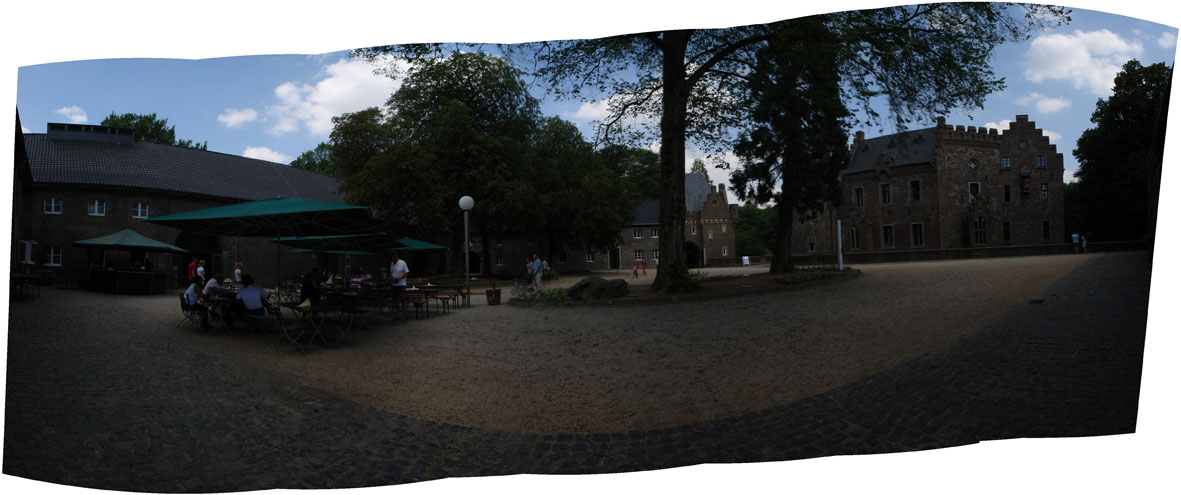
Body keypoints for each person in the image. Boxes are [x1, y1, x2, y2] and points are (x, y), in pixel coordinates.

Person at [389, 251, 410, 319]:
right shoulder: (392, 263)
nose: (392, 259)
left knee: (402, 299)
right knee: (395, 300)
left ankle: (405, 314)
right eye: (391, 258)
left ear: (396, 257)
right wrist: (390, 278)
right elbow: (391, 272)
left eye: (393, 257)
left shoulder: (402, 262)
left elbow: (407, 272)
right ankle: (398, 313)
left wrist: (399, 277)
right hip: (393, 284)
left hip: (401, 284)